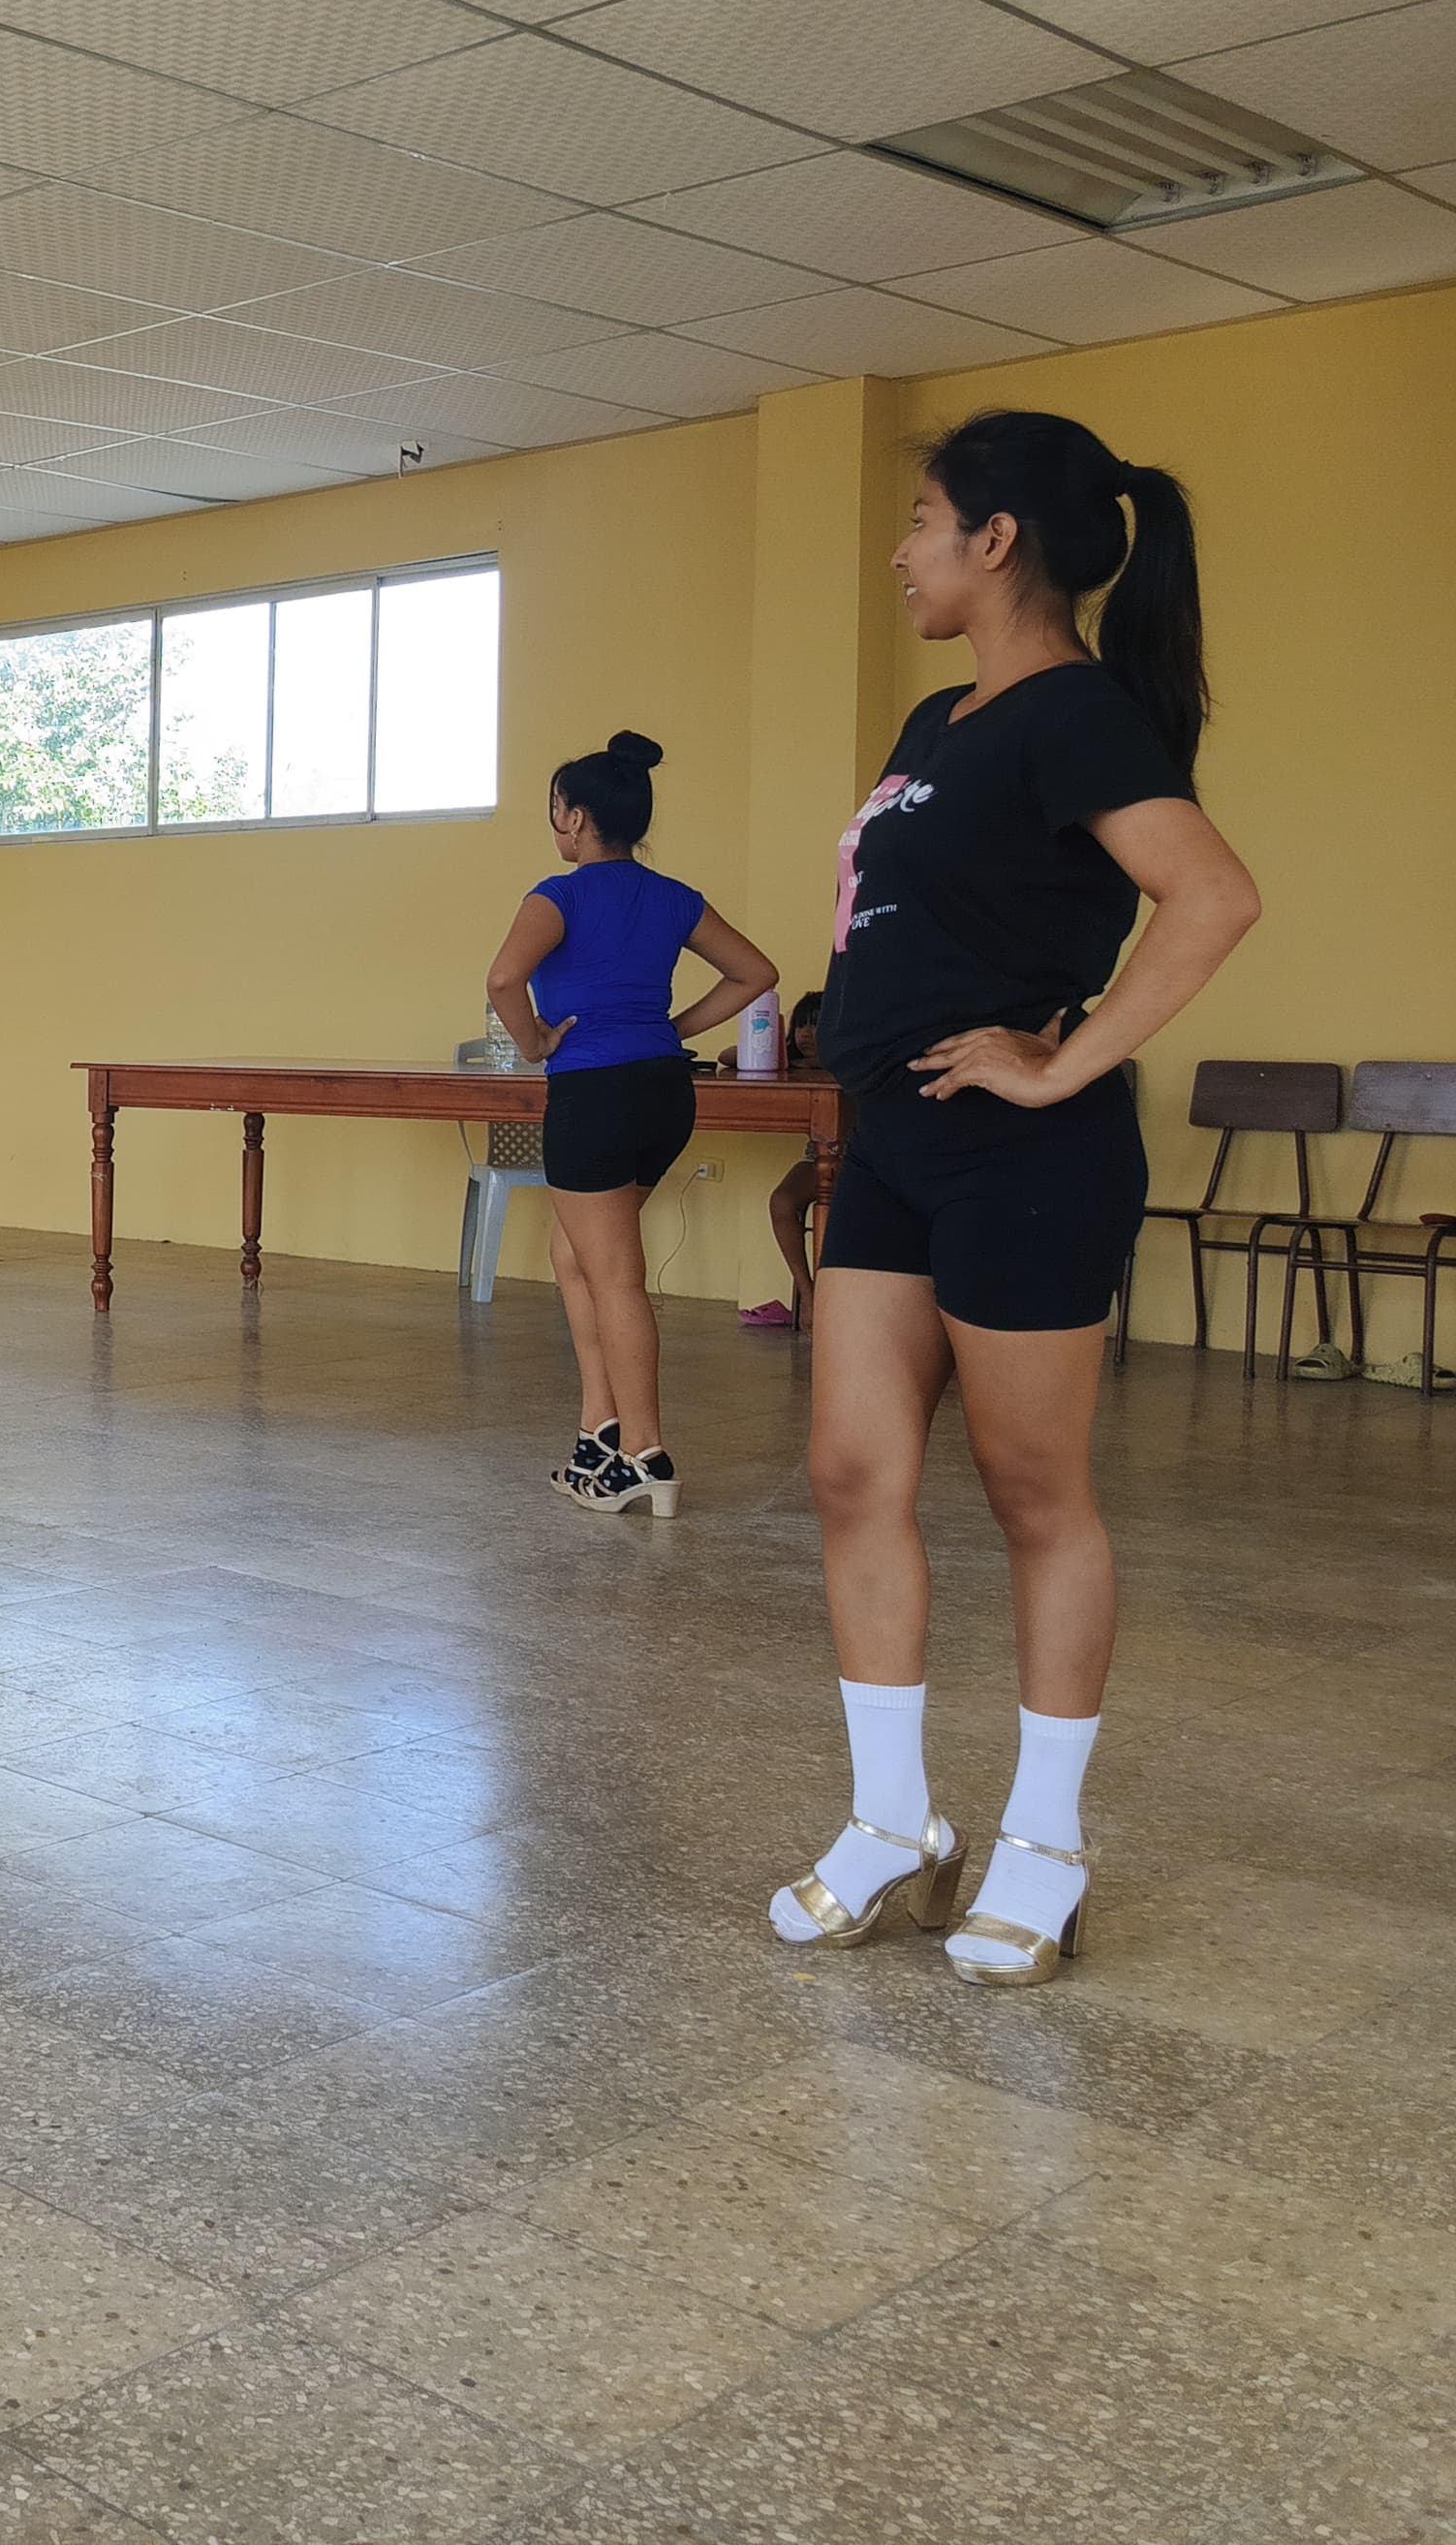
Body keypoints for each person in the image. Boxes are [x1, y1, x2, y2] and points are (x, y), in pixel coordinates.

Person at [769, 410, 1257, 1986]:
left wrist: (1065, 1064)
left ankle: (1044, 1844)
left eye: (921, 520)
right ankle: (893, 1823)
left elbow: (1212, 895)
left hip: (1020, 1153)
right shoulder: (937, 716)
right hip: (895, 1139)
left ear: (995, 541)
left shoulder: (1075, 715)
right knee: (851, 1471)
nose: (900, 550)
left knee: (1031, 1490)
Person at [483, 732, 779, 1517]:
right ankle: (599, 1430)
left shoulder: (559, 895)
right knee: (573, 1253)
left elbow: (505, 978)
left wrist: (535, 1042)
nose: (555, 824)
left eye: (556, 810)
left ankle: (645, 1455)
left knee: (613, 1274)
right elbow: (756, 973)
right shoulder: (674, 896)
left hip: (594, 1094)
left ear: (577, 818)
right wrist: (672, 1028)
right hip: (662, 1093)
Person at [746, 990, 832, 1331]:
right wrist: (783, 1056)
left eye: (816, 1024)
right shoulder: (791, 1064)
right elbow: (728, 1055)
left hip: (862, 1162)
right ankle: (808, 1295)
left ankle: (832, 1300)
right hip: (818, 1161)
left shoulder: (853, 1060)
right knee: (782, 1200)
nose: (806, 1033)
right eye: (800, 1025)